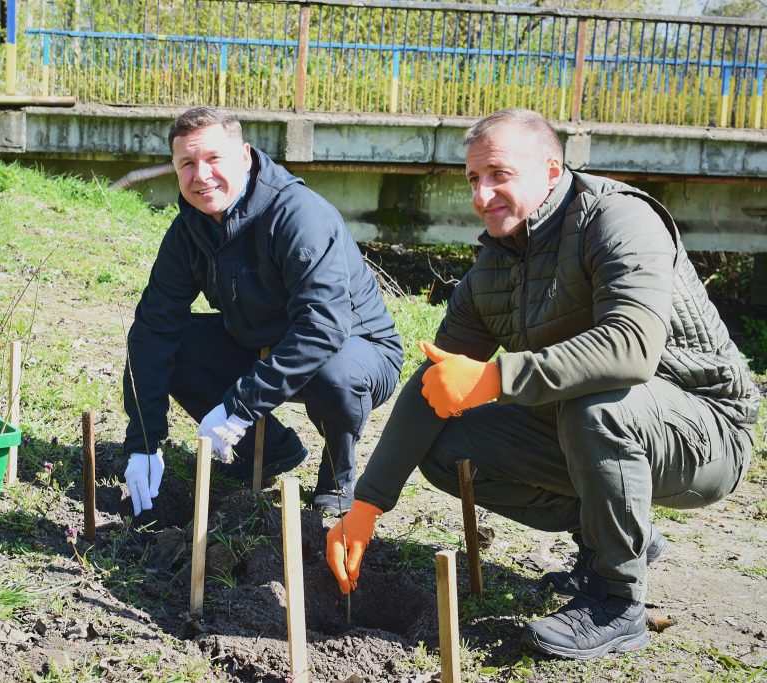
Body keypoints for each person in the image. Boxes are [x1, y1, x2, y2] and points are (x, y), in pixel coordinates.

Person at [326, 108, 760, 660]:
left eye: (499, 175)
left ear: (552, 171)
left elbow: (631, 348)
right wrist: (367, 505)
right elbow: (436, 383)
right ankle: (618, 540)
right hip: (601, 421)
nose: (483, 195)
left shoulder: (619, 219)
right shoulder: (495, 262)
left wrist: (494, 377)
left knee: (595, 409)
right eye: (473, 179)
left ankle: (616, 602)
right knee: (447, 446)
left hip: (706, 431)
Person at [122, 106, 403, 518]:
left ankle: (337, 476)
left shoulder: (296, 214)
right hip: (258, 341)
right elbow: (153, 329)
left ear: (245, 157)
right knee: (173, 345)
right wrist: (142, 442)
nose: (201, 176)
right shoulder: (189, 229)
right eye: (187, 163)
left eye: (213, 159)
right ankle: (271, 449)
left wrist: (239, 406)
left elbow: (322, 326)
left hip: (355, 346)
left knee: (335, 377)